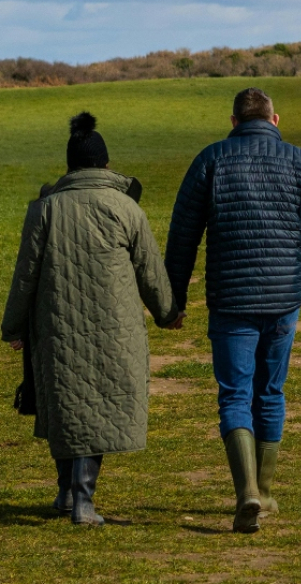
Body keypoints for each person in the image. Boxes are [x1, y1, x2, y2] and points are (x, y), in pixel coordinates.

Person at [165, 87, 301, 534]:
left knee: (235, 395)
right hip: (284, 301)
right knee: (271, 392)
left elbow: (183, 237)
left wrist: (174, 299)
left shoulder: (212, 159)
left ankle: (247, 495)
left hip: (231, 303)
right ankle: (266, 489)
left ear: (234, 120)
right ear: (274, 120)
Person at [1, 113, 181, 526]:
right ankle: (83, 501)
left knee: (66, 405)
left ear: (69, 166)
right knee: (96, 408)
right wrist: (168, 313)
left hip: (56, 328)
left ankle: (68, 493)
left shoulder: (44, 208)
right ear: (105, 164)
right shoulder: (125, 208)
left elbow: (24, 273)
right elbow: (150, 270)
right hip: (115, 331)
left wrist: (13, 327)